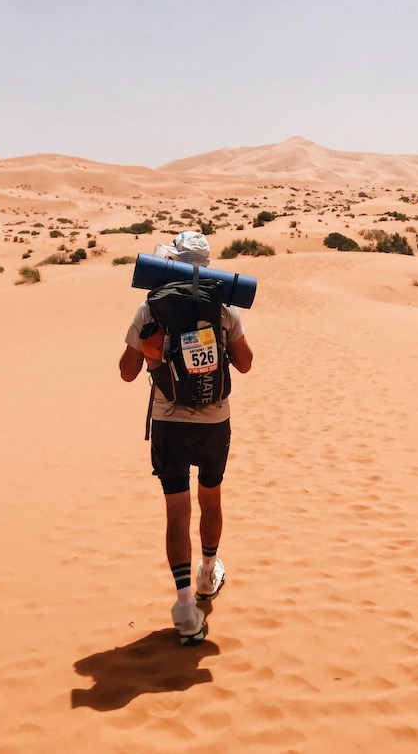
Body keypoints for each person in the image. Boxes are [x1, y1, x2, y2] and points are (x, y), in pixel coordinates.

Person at [118, 231, 254, 645]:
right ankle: (208, 573)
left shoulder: (151, 308)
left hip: (168, 422)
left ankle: (183, 608)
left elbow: (126, 372)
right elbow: (246, 364)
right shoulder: (224, 309)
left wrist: (149, 351)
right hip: (214, 422)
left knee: (177, 513)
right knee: (209, 498)